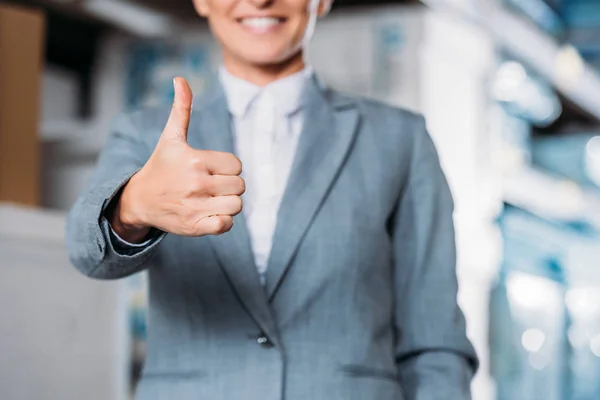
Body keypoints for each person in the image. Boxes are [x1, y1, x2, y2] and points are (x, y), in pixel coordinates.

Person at [66, 0, 478, 399]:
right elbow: (85, 252)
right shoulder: (145, 134)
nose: (260, 0)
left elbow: (435, 341)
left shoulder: (400, 140)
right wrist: (132, 206)